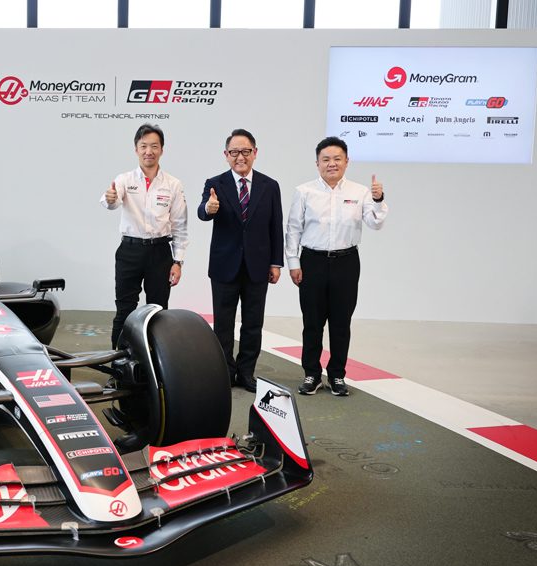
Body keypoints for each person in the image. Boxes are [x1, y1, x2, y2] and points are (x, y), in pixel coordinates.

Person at [285, 136, 388, 397]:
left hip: (347, 262)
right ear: (317, 163)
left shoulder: (360, 192)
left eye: (337, 159)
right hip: (312, 262)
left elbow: (375, 223)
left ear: (346, 161)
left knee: (341, 323)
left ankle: (337, 375)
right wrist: (293, 262)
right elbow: (293, 229)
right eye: (326, 159)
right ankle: (311, 374)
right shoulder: (304, 191)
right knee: (312, 322)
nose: (332, 164)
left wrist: (378, 200)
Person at [197, 128, 283, 394]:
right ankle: (225, 371)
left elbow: (275, 226)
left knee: (253, 323)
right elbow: (203, 211)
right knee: (223, 324)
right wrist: (209, 208)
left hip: (258, 266)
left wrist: (275, 263)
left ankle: (246, 373)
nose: (240, 157)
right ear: (226, 155)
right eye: (234, 152)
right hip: (225, 266)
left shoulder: (270, 186)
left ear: (255, 153)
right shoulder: (215, 183)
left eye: (245, 151)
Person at [101, 124, 188, 349]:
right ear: (136, 149)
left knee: (158, 312)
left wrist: (178, 262)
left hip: (160, 253)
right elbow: (112, 201)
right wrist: (110, 198)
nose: (149, 151)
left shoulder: (173, 184)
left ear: (162, 150)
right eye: (144, 146)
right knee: (125, 309)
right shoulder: (124, 179)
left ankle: (156, 364)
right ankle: (119, 363)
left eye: (154, 146)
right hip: (129, 252)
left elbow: (180, 226)